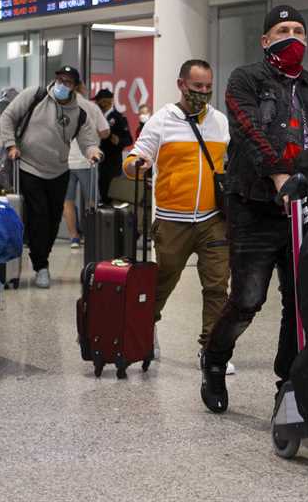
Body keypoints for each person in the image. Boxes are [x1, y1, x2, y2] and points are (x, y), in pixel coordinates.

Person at [199, 6, 308, 413]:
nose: (291, 36)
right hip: (255, 207)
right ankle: (215, 359)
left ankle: (289, 384)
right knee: (248, 298)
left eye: (297, 30)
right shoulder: (246, 79)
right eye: (281, 30)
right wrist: (279, 174)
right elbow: (248, 130)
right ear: (265, 41)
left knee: (300, 302)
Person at [123, 60, 233, 373]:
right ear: (181, 84)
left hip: (213, 218)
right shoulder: (161, 121)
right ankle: (146, 330)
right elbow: (135, 156)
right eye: (197, 86)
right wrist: (135, 166)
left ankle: (211, 350)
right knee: (162, 282)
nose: (203, 92)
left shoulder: (220, 122)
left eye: (208, 87)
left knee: (216, 286)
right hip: (173, 219)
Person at [0, 65, 102, 288]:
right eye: (60, 80)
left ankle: (42, 259)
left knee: (54, 220)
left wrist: (93, 152)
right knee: (39, 215)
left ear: (75, 87)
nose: (62, 85)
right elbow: (7, 117)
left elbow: (88, 141)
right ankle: (41, 266)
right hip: (28, 166)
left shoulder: (80, 112)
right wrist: (10, 145)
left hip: (59, 170)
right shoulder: (34, 95)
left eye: (68, 82)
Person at [62, 77, 110, 249]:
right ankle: (91, 236)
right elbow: (105, 132)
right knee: (91, 200)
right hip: (87, 161)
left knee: (67, 201)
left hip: (64, 163)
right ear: (81, 88)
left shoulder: (60, 106)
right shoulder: (91, 107)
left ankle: (74, 237)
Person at [94, 88, 133, 202]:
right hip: (96, 160)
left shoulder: (118, 118)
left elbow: (129, 140)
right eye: (97, 101)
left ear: (109, 101)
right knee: (100, 191)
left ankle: (110, 215)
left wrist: (119, 141)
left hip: (111, 163)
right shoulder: (95, 116)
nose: (97, 104)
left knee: (110, 192)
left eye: (100, 101)